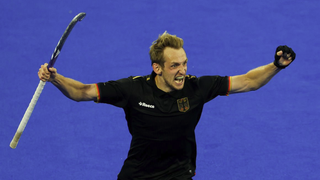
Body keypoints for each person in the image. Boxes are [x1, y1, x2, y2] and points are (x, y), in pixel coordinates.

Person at [38, 31, 296, 180]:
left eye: (184, 63)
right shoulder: (131, 89)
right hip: (137, 174)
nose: (182, 71)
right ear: (157, 68)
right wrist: (55, 78)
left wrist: (275, 66)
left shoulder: (198, 87)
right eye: (175, 66)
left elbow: (249, 81)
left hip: (179, 174)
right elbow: (82, 92)